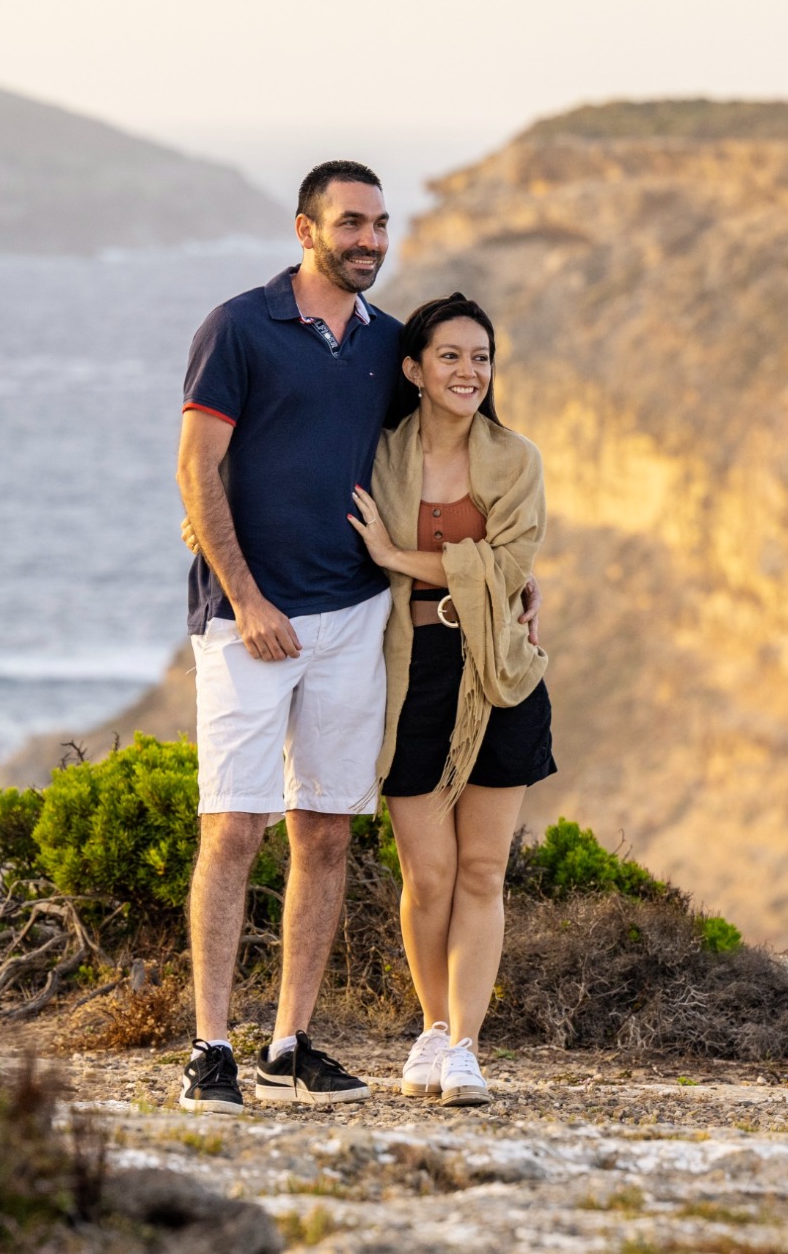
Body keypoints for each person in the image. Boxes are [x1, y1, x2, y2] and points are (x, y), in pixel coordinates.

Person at [172, 161, 401, 1113]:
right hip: (246, 624)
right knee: (233, 828)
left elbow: (446, 449)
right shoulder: (238, 326)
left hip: (353, 615)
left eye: (382, 224)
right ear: (305, 228)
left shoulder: (389, 344)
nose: (370, 240)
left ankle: (290, 1042)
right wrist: (249, 597)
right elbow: (197, 466)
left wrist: (508, 561)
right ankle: (210, 1046)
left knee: (328, 830)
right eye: (352, 222)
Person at [345, 292, 549, 1107]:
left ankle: (465, 1044)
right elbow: (294, 496)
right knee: (426, 875)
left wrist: (399, 552)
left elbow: (507, 569)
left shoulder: (516, 458)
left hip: (498, 669)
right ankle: (431, 1025)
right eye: (452, 356)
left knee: (482, 868)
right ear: (414, 369)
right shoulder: (379, 453)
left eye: (482, 357)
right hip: (411, 671)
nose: (470, 371)